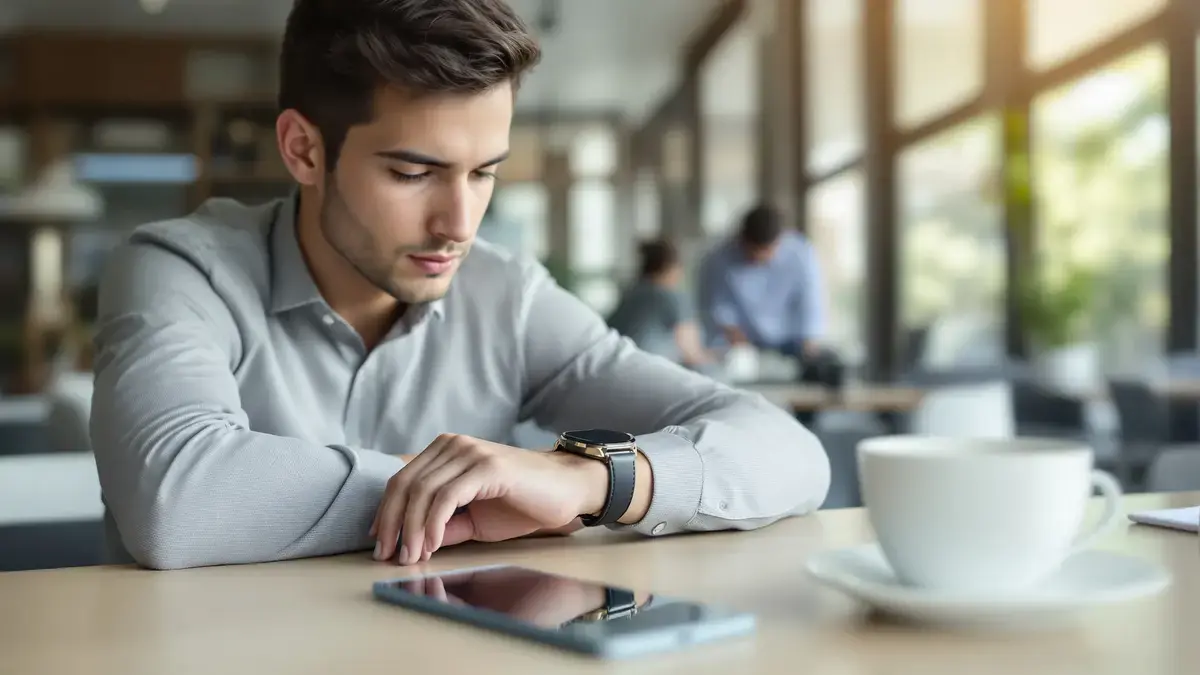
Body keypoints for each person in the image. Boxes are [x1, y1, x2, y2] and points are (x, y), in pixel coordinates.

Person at [89, 0, 830, 571]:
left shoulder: (507, 295)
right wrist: (469, 492)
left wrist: (585, 480)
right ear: (304, 149)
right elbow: (173, 500)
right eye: (413, 173)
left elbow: (789, 453)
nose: (460, 223)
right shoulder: (180, 269)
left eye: (484, 173)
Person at [699, 204, 829, 373]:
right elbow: (720, 308)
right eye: (754, 251)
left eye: (767, 250)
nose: (761, 256)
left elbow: (810, 303)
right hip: (743, 343)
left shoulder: (801, 253)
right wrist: (740, 346)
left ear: (779, 240)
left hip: (791, 341)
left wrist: (809, 346)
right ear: (742, 240)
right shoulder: (718, 259)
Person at [606, 239, 715, 369]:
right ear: (672, 268)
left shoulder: (631, 292)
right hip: (647, 370)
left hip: (614, 366)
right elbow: (692, 353)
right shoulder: (673, 298)